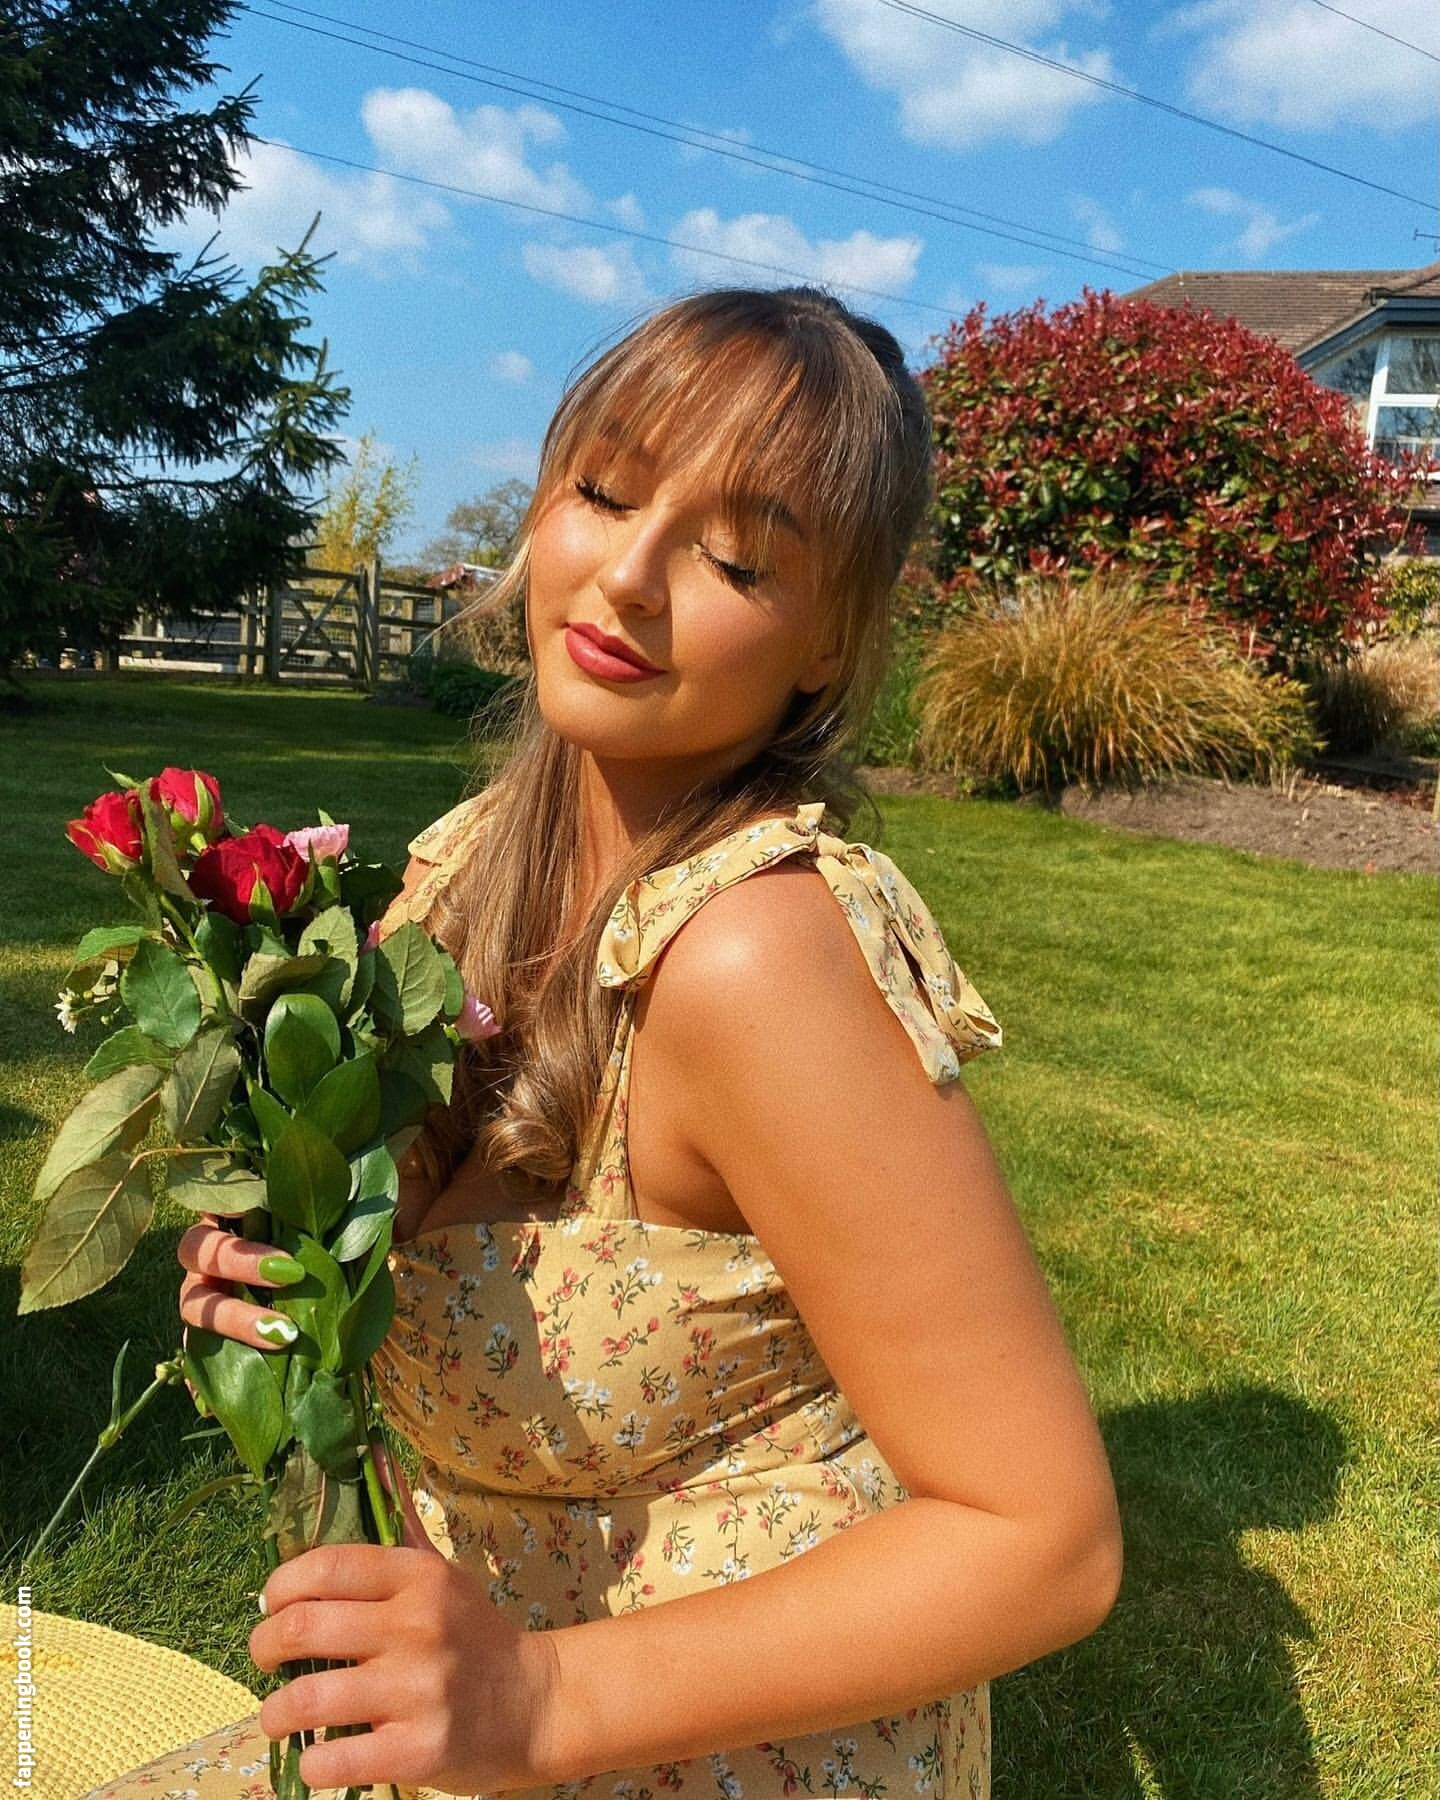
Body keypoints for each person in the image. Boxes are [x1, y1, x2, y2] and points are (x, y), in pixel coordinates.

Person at [87, 284, 1122, 1800]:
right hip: (458, 1697)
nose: (628, 577)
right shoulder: (461, 870)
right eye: (607, 492)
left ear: (830, 638)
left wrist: (538, 1698)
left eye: (736, 558)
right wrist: (292, 1263)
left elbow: (1045, 1542)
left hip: (713, 1743)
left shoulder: (756, 957)